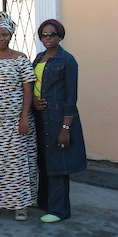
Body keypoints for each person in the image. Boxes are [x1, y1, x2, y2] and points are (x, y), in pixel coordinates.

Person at [0, 11, 37, 221]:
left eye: (5, 35)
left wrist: (24, 117)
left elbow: (28, 90)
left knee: (18, 163)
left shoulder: (20, 59)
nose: (1, 39)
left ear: (10, 36)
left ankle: (20, 204)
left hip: (15, 121)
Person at [32, 19, 87, 223]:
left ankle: (59, 210)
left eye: (52, 34)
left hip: (58, 119)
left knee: (58, 162)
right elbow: (34, 85)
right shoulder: (38, 58)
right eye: (44, 35)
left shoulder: (67, 60)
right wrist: (35, 103)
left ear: (60, 35)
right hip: (41, 117)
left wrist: (66, 127)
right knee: (44, 161)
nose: (48, 38)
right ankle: (44, 201)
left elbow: (71, 97)